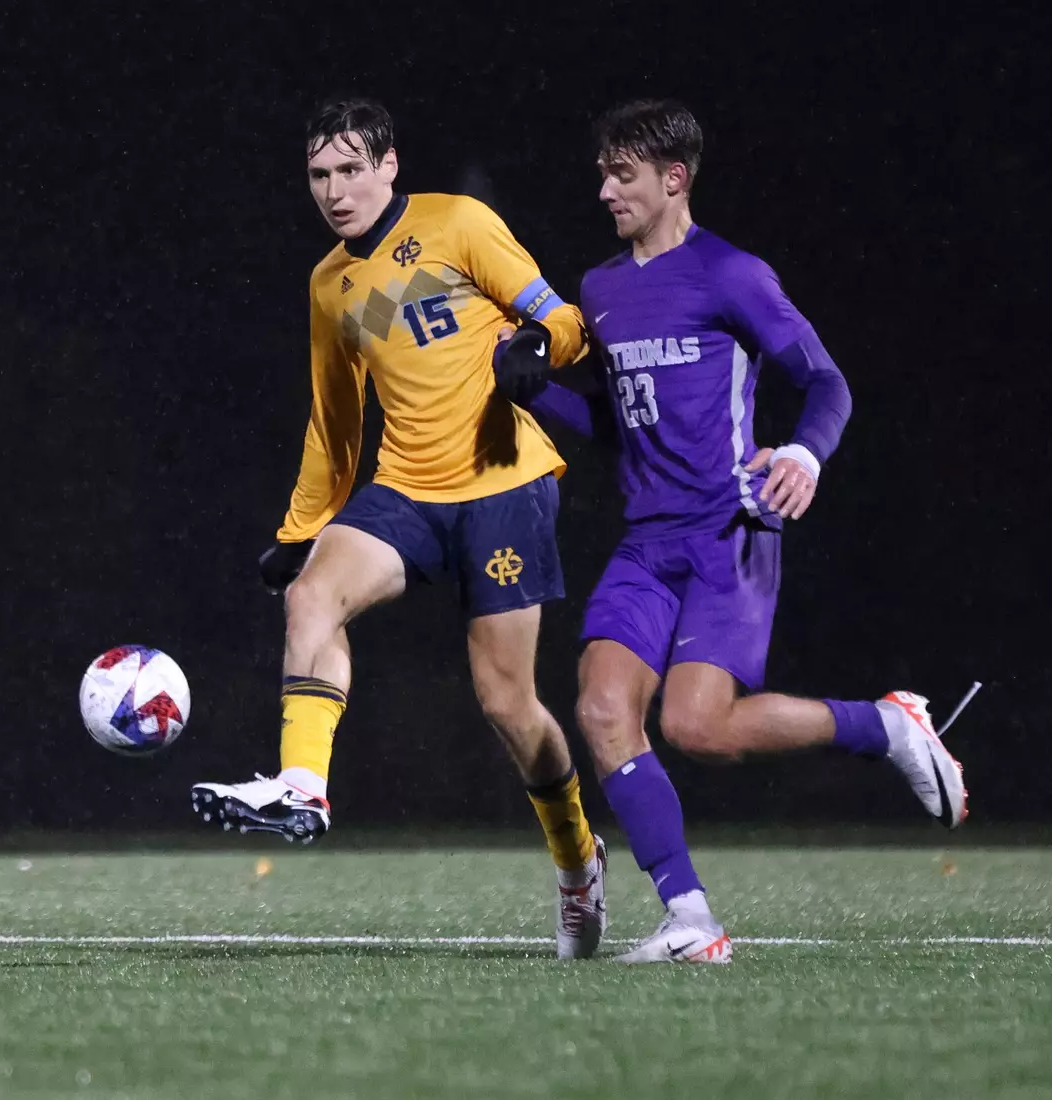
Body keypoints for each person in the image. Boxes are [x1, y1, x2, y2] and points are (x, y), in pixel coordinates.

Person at [525, 100, 970, 964]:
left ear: (673, 179)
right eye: (602, 173)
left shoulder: (730, 273)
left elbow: (827, 383)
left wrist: (803, 452)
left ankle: (884, 727)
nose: (605, 190)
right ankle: (689, 918)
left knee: (699, 729)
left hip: (726, 531)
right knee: (601, 707)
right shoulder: (601, 289)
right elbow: (621, 425)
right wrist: (531, 390)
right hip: (644, 541)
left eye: (622, 174)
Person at [189, 99, 607, 959]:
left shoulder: (458, 223)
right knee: (312, 597)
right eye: (318, 174)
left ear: (388, 164)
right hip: (405, 491)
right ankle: (303, 785)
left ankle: (577, 861)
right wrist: (299, 529)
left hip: (503, 485)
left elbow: (564, 320)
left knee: (507, 705)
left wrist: (537, 345)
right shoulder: (328, 284)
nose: (334, 190)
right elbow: (334, 422)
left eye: (350, 169)